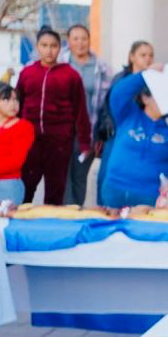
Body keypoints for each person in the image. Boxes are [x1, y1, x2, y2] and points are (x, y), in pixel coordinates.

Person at [17, 28, 90, 205]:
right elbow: (17, 105)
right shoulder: (27, 73)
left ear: (60, 48)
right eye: (44, 45)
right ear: (37, 47)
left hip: (59, 142)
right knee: (27, 185)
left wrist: (84, 142)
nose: (49, 50)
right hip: (30, 140)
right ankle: (23, 222)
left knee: (56, 189)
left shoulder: (70, 75)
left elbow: (81, 110)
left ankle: (51, 226)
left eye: (53, 46)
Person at [97, 53, 168, 209]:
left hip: (150, 198)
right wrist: (145, 75)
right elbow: (118, 93)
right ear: (145, 98)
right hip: (115, 192)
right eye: (160, 95)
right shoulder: (128, 114)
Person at [64, 23, 112, 205]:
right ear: (69, 41)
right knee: (61, 176)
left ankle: (75, 212)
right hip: (63, 130)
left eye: (84, 38)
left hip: (88, 130)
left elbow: (107, 100)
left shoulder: (101, 67)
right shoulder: (60, 63)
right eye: (75, 38)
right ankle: (63, 214)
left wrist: (101, 133)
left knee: (80, 177)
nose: (80, 43)